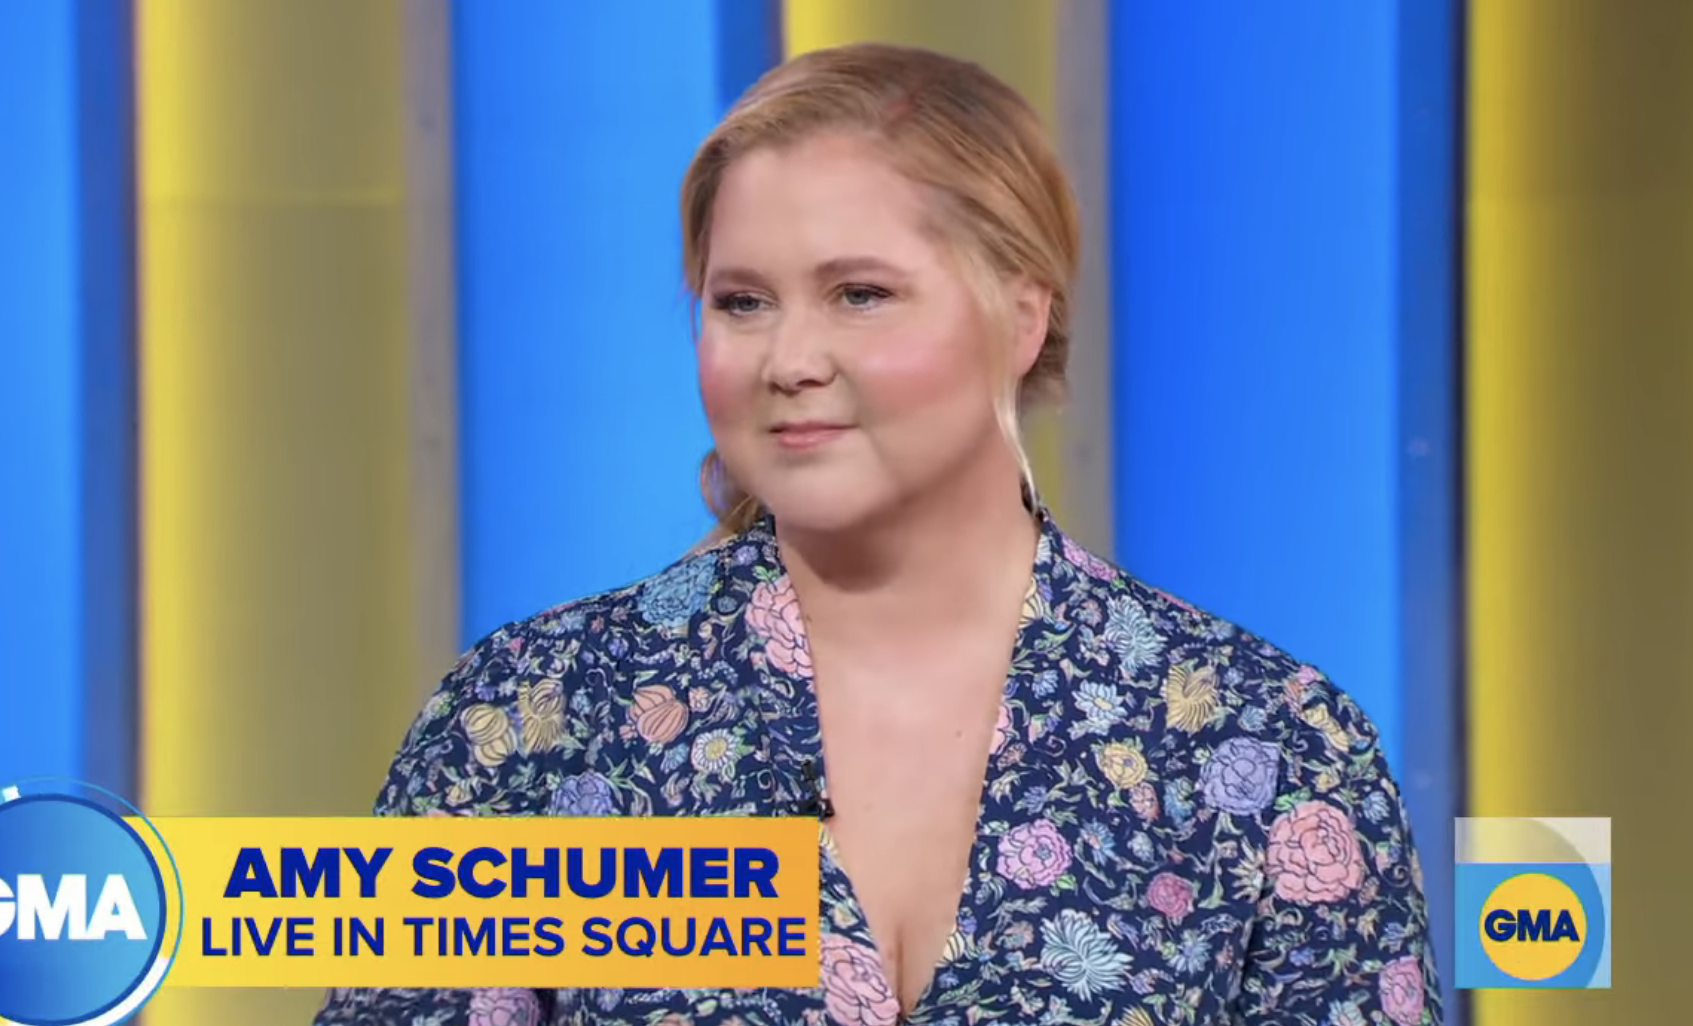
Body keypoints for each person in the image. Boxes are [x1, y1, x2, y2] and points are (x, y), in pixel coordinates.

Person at [314, 41, 1442, 1026]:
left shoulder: (1267, 747)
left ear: (1019, 313)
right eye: (740, 301)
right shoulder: (534, 720)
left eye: (858, 293)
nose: (788, 359)